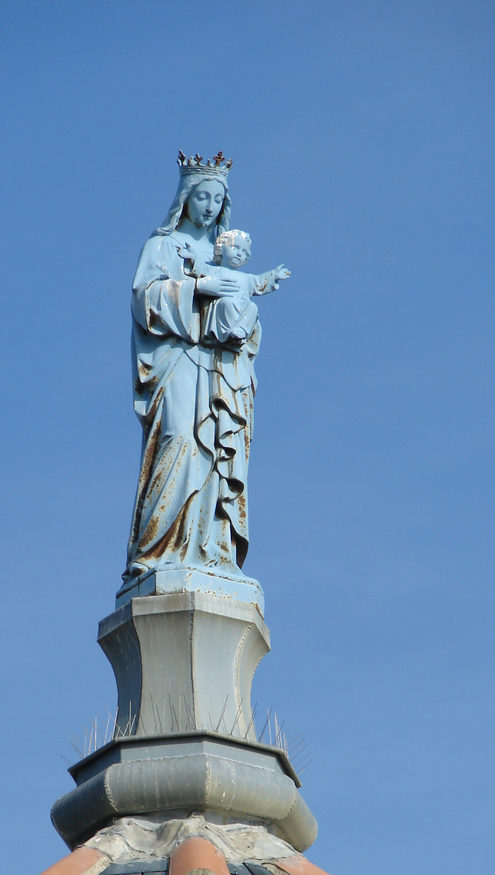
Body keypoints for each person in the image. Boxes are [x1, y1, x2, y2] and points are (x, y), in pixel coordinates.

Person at [121, 153, 268, 588]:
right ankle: (155, 551)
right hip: (179, 358)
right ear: (185, 199)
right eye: (201, 196)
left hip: (221, 367)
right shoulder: (162, 246)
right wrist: (198, 288)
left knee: (216, 454)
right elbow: (143, 299)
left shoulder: (229, 256)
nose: (208, 206)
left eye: (216, 199)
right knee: (181, 439)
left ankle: (210, 549)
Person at [178, 228, 290, 346]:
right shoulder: (215, 270)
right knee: (227, 303)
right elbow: (200, 269)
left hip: (243, 308)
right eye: (235, 247)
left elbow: (260, 282)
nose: (239, 253)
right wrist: (192, 257)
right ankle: (227, 332)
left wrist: (274, 275)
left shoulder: (246, 278)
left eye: (244, 252)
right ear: (221, 248)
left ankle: (240, 330)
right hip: (224, 306)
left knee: (253, 308)